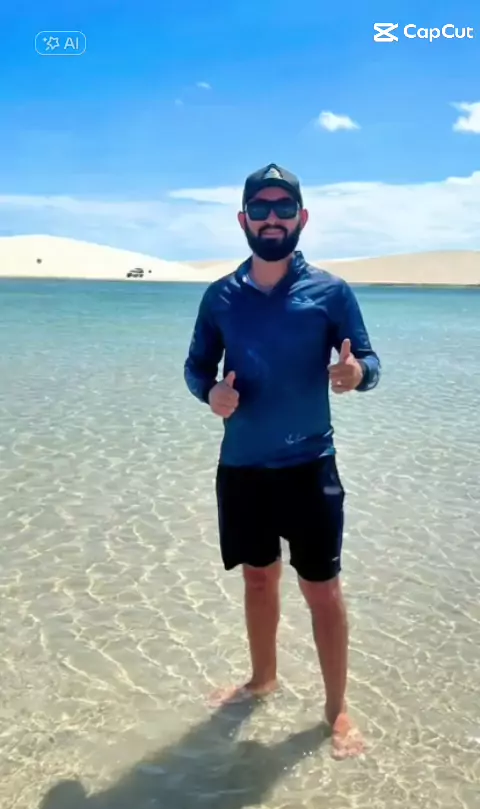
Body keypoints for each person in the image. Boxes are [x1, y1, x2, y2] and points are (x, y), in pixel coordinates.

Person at [184, 163, 381, 760]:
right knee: (257, 577)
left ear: (302, 218)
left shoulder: (330, 291)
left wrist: (355, 373)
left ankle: (336, 708)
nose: (272, 218)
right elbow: (196, 367)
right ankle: (262, 680)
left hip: (309, 466)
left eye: (283, 208)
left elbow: (369, 360)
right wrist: (210, 393)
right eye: (261, 208)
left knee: (322, 589)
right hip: (242, 467)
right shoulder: (220, 296)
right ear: (243, 220)